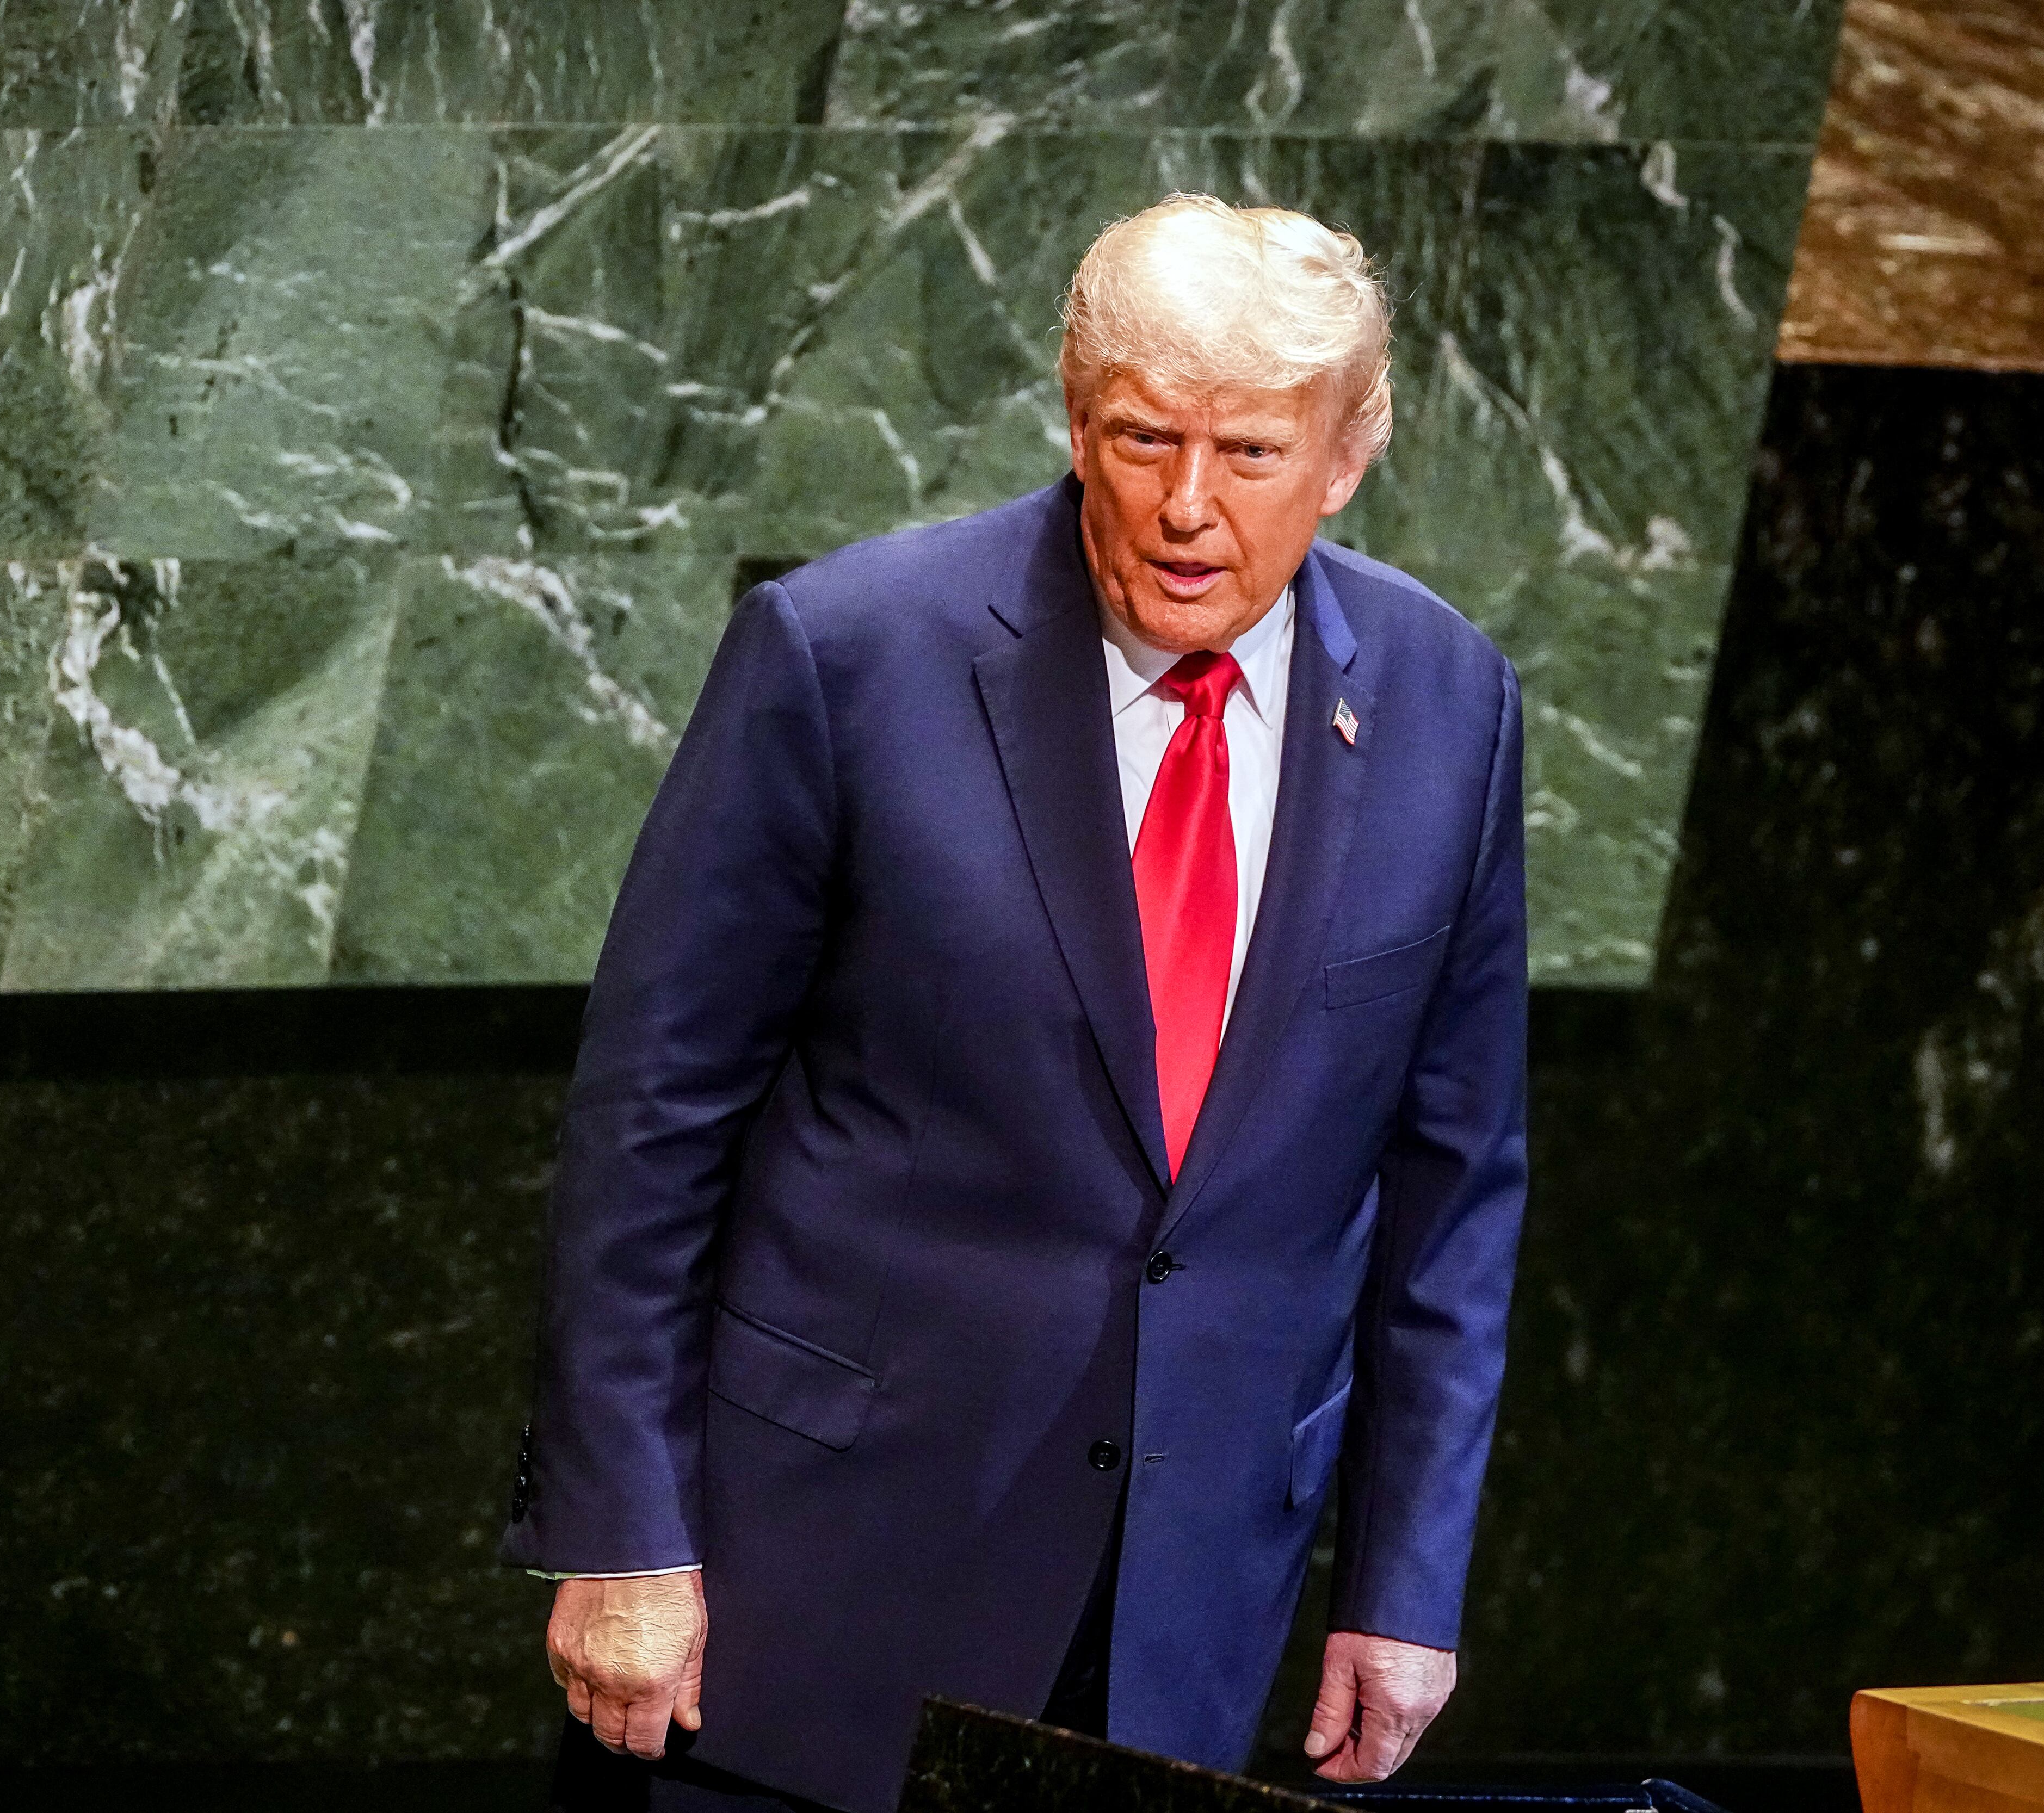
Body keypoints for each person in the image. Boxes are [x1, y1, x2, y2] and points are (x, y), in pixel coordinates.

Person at [503, 193, 1529, 1813]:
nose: (1188, 507)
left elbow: (1455, 1183)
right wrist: (624, 1531)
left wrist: (1402, 1584)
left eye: (1250, 455)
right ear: (1073, 410)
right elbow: (651, 1122)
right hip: (806, 1592)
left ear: (1346, 459)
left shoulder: (1449, 700)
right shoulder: (845, 654)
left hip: (1183, 1611)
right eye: (1142, 439)